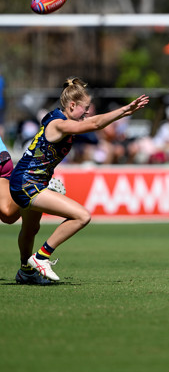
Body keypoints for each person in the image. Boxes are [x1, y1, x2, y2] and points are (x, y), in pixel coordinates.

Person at [10, 77, 148, 282]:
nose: (88, 112)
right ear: (72, 105)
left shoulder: (58, 118)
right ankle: (41, 257)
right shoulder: (60, 124)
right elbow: (94, 124)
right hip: (27, 184)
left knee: (30, 229)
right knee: (82, 216)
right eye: (86, 107)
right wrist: (124, 111)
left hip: (25, 180)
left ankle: (25, 271)